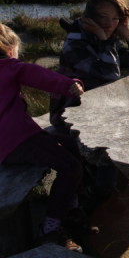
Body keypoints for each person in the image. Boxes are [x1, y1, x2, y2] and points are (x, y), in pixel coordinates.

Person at [0, 23, 85, 252]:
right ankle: (51, 229)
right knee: (71, 167)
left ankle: (70, 203)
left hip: (9, 144)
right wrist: (70, 85)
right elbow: (41, 76)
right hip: (17, 140)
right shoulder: (10, 66)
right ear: (10, 50)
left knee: (70, 144)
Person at [50, 0, 129, 134]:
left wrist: (128, 34)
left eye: (115, 18)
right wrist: (103, 39)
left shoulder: (107, 38)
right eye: (103, 17)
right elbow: (110, 74)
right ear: (89, 17)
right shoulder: (75, 43)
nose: (109, 24)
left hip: (98, 109)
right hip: (68, 116)